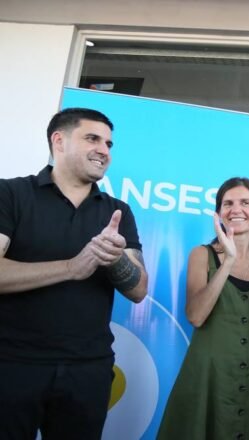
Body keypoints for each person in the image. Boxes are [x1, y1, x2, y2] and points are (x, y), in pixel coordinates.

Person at [0, 108, 148, 439]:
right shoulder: (10, 194)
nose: (104, 150)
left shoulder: (118, 211)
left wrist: (114, 259)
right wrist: (71, 267)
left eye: (109, 144)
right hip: (12, 365)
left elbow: (139, 290)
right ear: (59, 140)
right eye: (92, 139)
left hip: (88, 370)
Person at [158, 177, 249, 439]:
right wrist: (228, 261)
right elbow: (196, 316)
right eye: (228, 203)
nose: (236, 209)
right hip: (207, 376)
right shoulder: (201, 255)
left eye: (245, 203)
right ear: (219, 213)